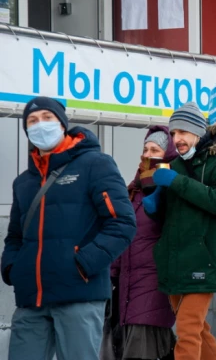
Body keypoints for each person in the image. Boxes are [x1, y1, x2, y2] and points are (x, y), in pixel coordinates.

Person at [1, 96, 136, 360]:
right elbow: (15, 236)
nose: (40, 125)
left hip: (79, 295)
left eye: (47, 118)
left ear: (63, 124)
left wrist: (82, 264)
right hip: (32, 298)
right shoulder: (23, 182)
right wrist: (12, 269)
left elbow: (122, 223)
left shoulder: (95, 165)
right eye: (32, 120)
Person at [143, 102, 216, 360]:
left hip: (204, 258)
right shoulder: (174, 165)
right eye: (174, 133)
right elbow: (172, 214)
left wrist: (178, 183)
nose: (177, 139)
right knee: (198, 331)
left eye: (183, 132)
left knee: (187, 332)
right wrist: (155, 205)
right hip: (175, 258)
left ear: (198, 132)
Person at [100, 126, 177, 360]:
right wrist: (112, 274)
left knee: (143, 351)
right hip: (126, 287)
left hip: (153, 288)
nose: (147, 154)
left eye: (155, 149)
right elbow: (122, 236)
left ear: (168, 155)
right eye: (145, 149)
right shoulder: (132, 190)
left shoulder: (171, 190)